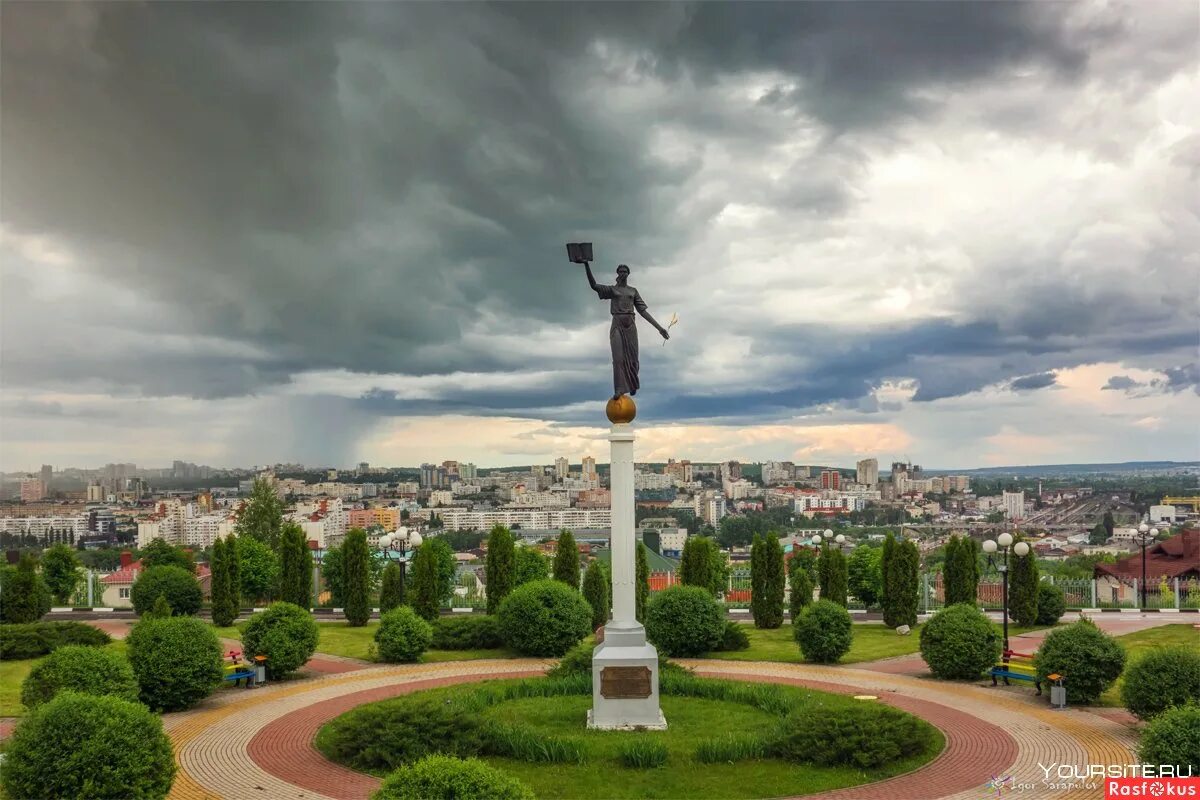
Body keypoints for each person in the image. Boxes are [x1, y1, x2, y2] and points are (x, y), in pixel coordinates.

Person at [583, 262, 669, 399]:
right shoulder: (612, 290)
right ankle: (619, 388)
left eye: (625, 271)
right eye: (620, 271)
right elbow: (594, 286)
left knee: (634, 358)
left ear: (628, 274)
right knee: (618, 359)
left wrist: (659, 328)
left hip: (630, 325)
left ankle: (632, 384)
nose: (622, 274)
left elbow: (643, 311)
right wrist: (586, 265)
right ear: (617, 274)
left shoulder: (633, 291)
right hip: (617, 324)